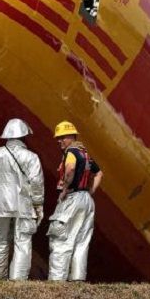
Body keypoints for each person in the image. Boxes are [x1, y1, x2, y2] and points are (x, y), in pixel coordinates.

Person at [0, 118, 44, 280]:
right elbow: (37, 183)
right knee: (22, 242)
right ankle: (17, 281)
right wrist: (38, 204)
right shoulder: (31, 157)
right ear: (23, 136)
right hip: (24, 205)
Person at [47, 120, 103, 281]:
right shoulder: (85, 154)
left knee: (61, 239)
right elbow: (99, 174)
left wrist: (65, 189)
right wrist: (91, 191)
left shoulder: (71, 152)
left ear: (71, 136)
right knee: (81, 242)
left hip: (72, 198)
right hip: (86, 200)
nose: (59, 141)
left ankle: (57, 280)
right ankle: (78, 279)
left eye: (63, 137)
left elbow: (70, 168)